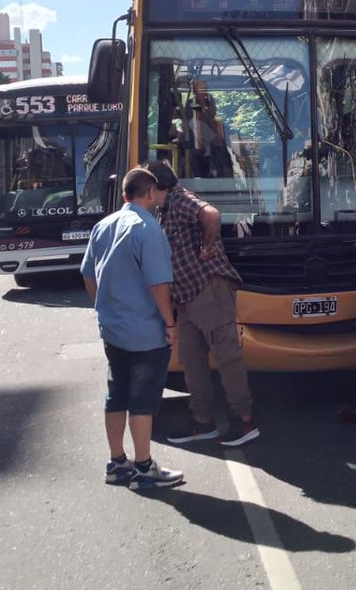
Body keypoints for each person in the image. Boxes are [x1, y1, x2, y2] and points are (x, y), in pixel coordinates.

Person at [81, 167, 184, 492]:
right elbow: (158, 284)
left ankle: (117, 463)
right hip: (145, 332)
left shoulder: (102, 226)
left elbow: (88, 274)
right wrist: (170, 324)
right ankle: (143, 468)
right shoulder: (148, 229)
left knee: (117, 395)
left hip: (112, 329)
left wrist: (104, 307)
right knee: (143, 400)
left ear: (124, 194)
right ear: (150, 193)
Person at [148, 162, 258, 448]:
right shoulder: (164, 209)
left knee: (226, 357)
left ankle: (244, 420)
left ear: (154, 186)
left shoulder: (179, 199)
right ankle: (203, 421)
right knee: (192, 361)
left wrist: (208, 248)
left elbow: (211, 215)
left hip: (209, 287)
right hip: (187, 295)